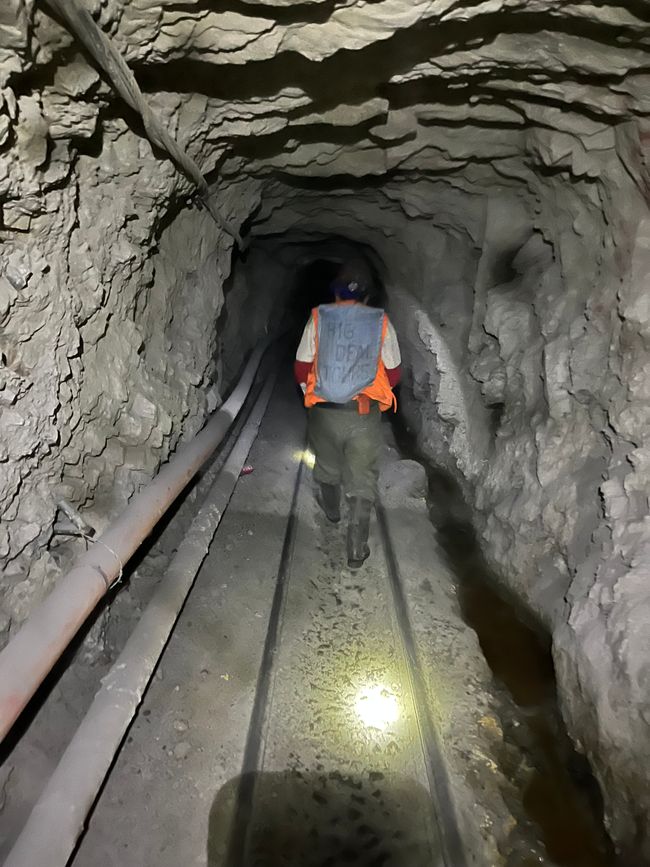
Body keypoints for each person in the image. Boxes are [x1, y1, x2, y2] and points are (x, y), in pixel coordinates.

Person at [294, 260, 401, 568]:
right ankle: (356, 549)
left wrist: (310, 394)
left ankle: (331, 511)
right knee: (361, 479)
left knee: (327, 465)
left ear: (334, 293)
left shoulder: (319, 318)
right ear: (366, 295)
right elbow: (393, 372)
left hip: (325, 411)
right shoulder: (381, 322)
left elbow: (302, 365)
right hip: (363, 413)